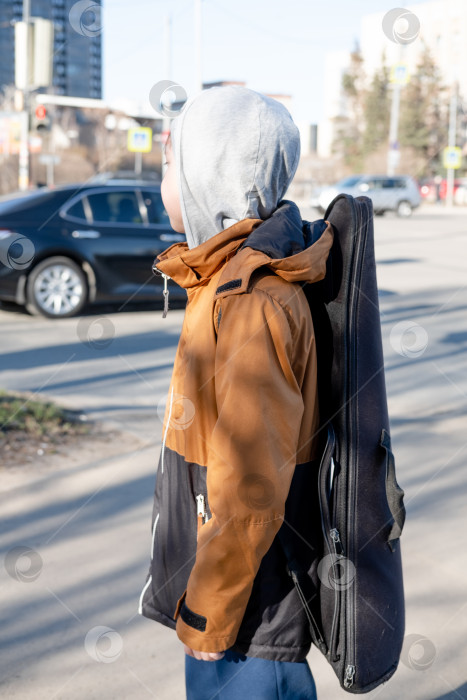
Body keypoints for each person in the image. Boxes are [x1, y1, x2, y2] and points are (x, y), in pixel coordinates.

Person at [138, 85, 334, 699]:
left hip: (250, 612)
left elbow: (250, 479)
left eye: (171, 164)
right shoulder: (222, 282)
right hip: (232, 596)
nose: (162, 179)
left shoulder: (253, 301)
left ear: (209, 176)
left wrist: (211, 609)